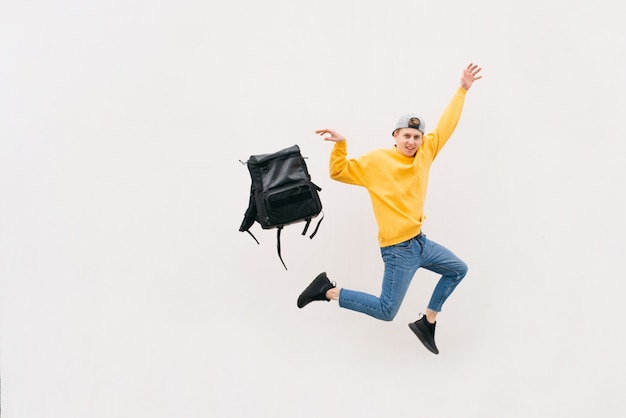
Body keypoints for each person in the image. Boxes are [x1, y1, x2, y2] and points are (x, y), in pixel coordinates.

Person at [297, 63, 482, 355]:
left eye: (416, 137)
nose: (412, 142)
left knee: (458, 270)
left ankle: (428, 320)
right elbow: (339, 172)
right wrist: (342, 144)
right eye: (406, 136)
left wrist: (462, 90)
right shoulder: (376, 162)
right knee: (386, 311)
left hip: (421, 242)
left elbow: (447, 123)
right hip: (398, 250)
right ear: (395, 136)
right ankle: (328, 291)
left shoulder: (426, 153)